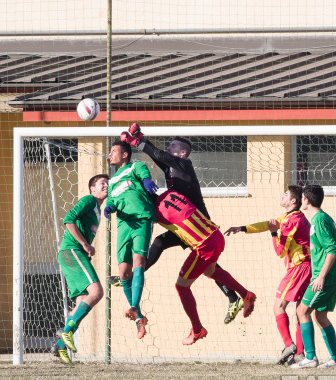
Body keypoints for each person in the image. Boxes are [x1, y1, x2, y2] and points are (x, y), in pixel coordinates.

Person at [120, 123, 249, 325]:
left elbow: (163, 157)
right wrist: (140, 142)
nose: (169, 148)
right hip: (184, 223)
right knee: (163, 244)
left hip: (196, 223)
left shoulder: (185, 165)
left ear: (182, 153)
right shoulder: (173, 168)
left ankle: (233, 298)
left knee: (206, 263)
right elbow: (159, 157)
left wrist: (141, 142)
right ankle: (233, 297)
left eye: (172, 146)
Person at [153, 187, 254, 344]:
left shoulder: (155, 212)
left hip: (203, 246)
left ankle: (197, 329)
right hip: (216, 235)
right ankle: (246, 294)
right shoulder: (171, 194)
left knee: (181, 286)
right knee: (210, 271)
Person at [225, 186, 311, 365]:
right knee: (300, 311)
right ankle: (300, 353)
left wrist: (273, 233)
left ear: (293, 201)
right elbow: (266, 224)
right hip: (306, 267)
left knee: (278, 306)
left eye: (286, 194)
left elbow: (280, 251)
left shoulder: (290, 222)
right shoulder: (292, 217)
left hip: (299, 268)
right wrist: (241, 228)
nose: (282, 195)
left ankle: (289, 345)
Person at [105, 140, 158, 339]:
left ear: (125, 154)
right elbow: (111, 199)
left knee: (139, 262)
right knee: (123, 272)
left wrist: (146, 181)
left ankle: (134, 306)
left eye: (113, 152)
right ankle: (139, 318)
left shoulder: (135, 167)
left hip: (141, 218)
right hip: (124, 225)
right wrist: (109, 207)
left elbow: (144, 173)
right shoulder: (111, 181)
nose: (110, 155)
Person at [54, 174, 109, 365]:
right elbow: (69, 219)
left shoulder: (98, 210)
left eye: (108, 183)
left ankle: (60, 345)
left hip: (72, 254)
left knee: (81, 302)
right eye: (102, 183)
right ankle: (66, 331)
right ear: (92, 189)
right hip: (72, 250)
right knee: (97, 291)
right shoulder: (88, 201)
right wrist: (85, 244)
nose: (106, 186)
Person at [291, 185, 336, 369]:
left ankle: (310, 358)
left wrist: (321, 276)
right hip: (332, 274)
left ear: (306, 200)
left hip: (326, 277)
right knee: (320, 316)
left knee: (302, 311)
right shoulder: (321, 219)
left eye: (302, 198)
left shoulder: (320, 220)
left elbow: (332, 250)